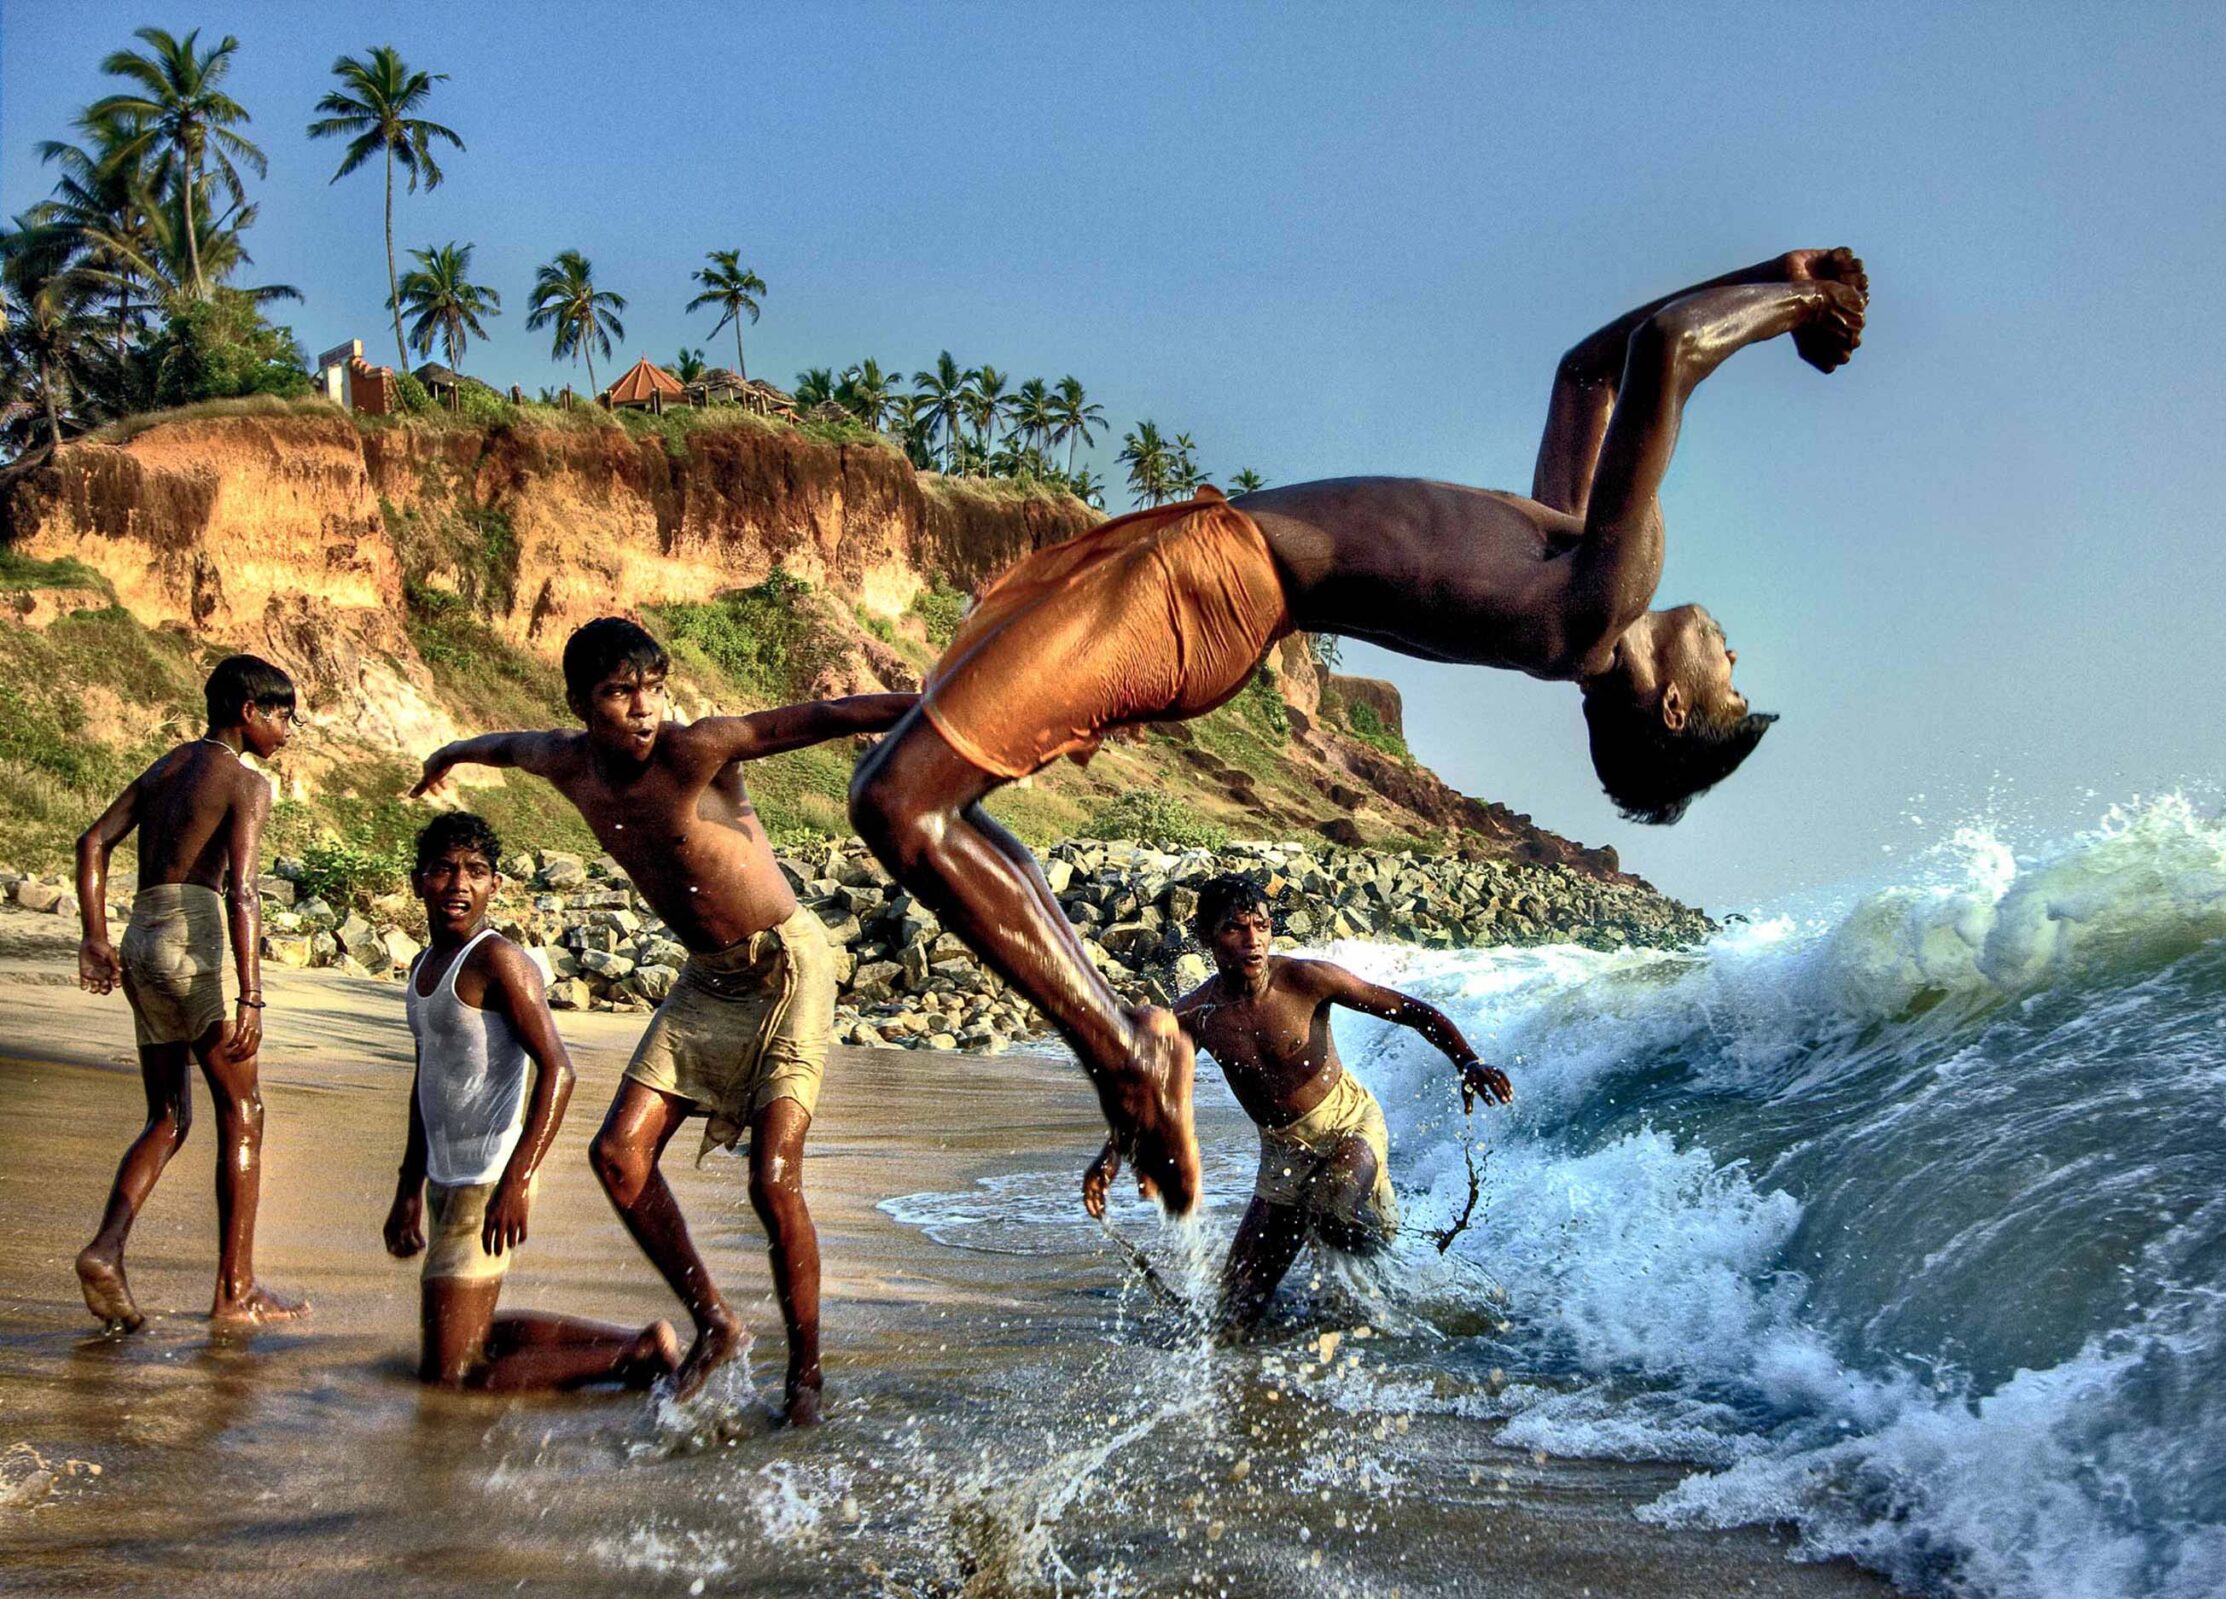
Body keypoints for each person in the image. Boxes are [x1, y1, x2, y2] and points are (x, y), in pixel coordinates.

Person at [853, 247, 1865, 1217]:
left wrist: (1796, 302)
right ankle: (1121, 1042)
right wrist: (1769, 281)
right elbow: (1589, 372)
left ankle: (1123, 1049)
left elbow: (1669, 353)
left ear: (1673, 709)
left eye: (1730, 691)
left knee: (896, 803)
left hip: (1204, 591)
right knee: (927, 796)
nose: (1734, 661)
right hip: (1203, 574)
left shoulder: (1603, 600)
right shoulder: (1571, 563)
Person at [410, 617, 913, 1424]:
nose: (643, 710)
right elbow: (508, 743)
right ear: (581, 702)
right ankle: (715, 1321)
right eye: (618, 693)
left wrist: (929, 706)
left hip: (784, 964)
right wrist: (452, 755)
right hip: (708, 981)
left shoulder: (694, 749)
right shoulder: (566, 760)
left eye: (653, 688)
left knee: (772, 1178)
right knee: (617, 1154)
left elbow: (816, 718)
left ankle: (806, 1378)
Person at [1082, 874, 1512, 1338]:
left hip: (1349, 1123)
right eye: (1235, 929)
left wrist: (1468, 1061)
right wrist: (1111, 1157)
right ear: (1206, 936)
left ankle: (1391, 1275)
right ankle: (1319, 1300)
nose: (1254, 941)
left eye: (1262, 926)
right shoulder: (1197, 1016)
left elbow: (1408, 1010)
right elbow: (1152, 1091)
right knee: (1232, 1319)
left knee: (1331, 1210)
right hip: (1283, 1154)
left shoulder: (1305, 980)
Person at [383, 812, 680, 1393]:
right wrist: (407, 1189)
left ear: (495, 885)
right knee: (470, 1339)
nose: (459, 884)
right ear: (418, 881)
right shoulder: (423, 968)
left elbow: (559, 1070)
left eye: (475, 871)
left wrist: (517, 1181)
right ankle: (633, 1343)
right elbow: (427, 1085)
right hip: (447, 1179)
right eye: (443, 870)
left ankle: (635, 1356)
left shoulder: (499, 962)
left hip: (488, 1177)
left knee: (453, 1379)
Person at [70, 654, 310, 1333]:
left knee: (170, 1115)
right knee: (245, 1109)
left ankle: (107, 1249)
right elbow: (242, 890)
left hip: (141, 936)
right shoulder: (244, 781)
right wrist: (253, 996)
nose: (289, 729)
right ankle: (235, 1292)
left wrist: (96, 936)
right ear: (249, 713)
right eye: (283, 714)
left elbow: (93, 842)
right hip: (191, 938)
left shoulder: (168, 766)